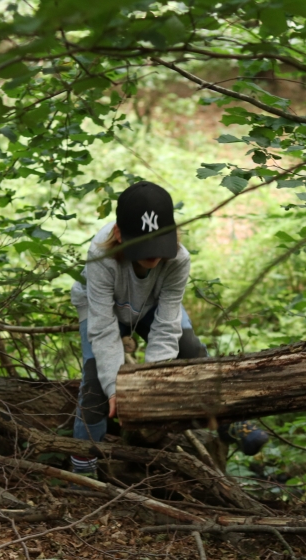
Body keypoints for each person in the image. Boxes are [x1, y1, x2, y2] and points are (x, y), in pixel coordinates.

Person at [69, 181, 268, 476]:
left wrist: (153, 385)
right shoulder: (102, 256)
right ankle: (82, 468)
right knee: (95, 384)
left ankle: (229, 419)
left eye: (159, 243)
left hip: (151, 304)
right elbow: (102, 328)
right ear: (119, 234)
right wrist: (115, 388)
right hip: (101, 307)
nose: (153, 254)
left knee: (192, 350)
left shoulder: (178, 259)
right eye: (143, 245)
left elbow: (165, 326)